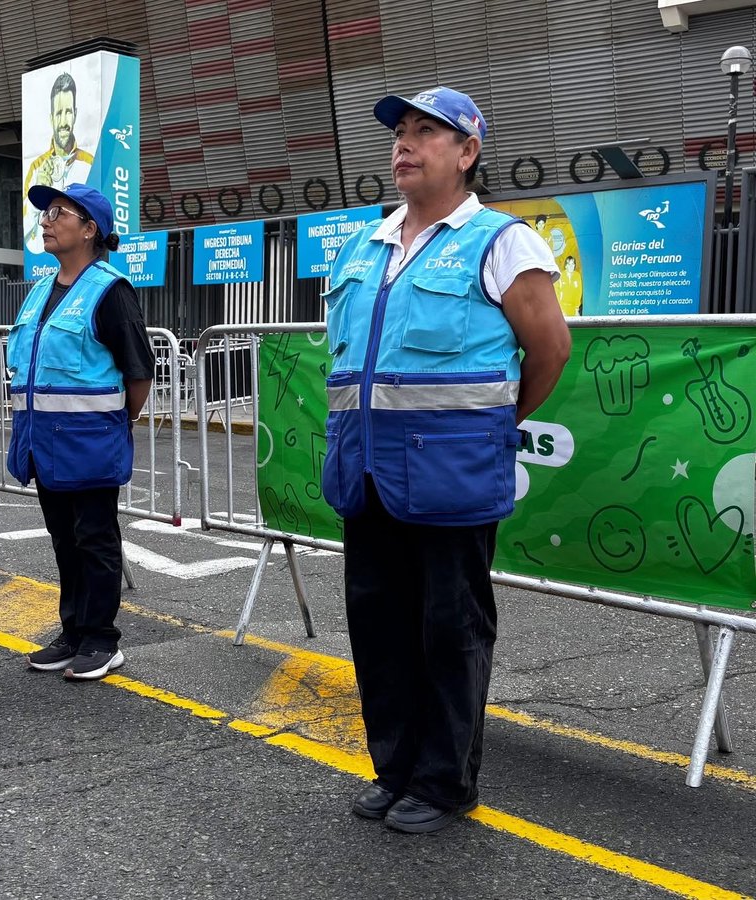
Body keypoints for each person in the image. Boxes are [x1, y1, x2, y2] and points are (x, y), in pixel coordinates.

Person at [322, 88, 570, 833]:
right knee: (378, 629)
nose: (405, 143)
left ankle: (442, 782)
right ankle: (394, 769)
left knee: (449, 631)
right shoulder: (365, 245)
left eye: (427, 132)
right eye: (400, 132)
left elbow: (550, 349)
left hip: (450, 476)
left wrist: (495, 423)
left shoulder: (502, 241)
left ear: (467, 153)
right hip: (367, 472)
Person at [6, 183, 154, 681]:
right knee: (63, 539)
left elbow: (138, 373)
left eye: (57, 213)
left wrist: (114, 424)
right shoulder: (41, 291)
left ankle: (101, 639)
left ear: (90, 229)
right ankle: (72, 632)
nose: (46, 221)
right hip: (42, 443)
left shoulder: (110, 290)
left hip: (88, 442)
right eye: (45, 213)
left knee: (94, 538)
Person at [22, 73, 95, 254]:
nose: (45, 222)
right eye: (58, 113)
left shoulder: (90, 164)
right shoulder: (35, 169)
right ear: (51, 118)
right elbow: (28, 238)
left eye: (68, 112)